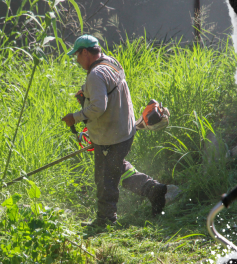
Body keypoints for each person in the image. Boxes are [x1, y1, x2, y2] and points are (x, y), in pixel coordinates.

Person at [61, 35, 168, 228]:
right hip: (124, 131)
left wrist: (74, 117)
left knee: (105, 179)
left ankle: (106, 220)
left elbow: (99, 107)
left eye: (77, 55)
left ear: (85, 52)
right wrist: (85, 97)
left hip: (111, 136)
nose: (76, 60)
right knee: (115, 168)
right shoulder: (111, 62)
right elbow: (106, 96)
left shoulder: (95, 75)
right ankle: (153, 190)